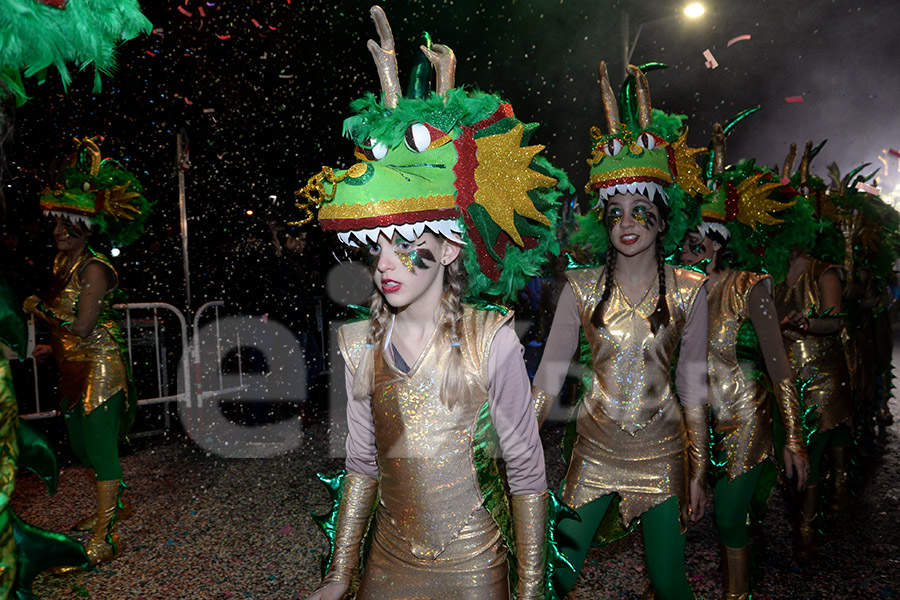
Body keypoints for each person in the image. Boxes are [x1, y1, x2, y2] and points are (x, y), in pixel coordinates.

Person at [299, 7, 571, 598]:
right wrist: (342, 574)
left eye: (405, 243)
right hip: (387, 562)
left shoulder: (489, 338)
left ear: (449, 249)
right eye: (376, 245)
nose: (386, 264)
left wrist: (527, 590)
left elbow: (526, 473)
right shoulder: (357, 345)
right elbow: (364, 464)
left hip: (476, 567)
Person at [532, 63, 710, 600]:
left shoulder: (688, 289)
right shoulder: (581, 287)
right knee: (553, 574)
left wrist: (698, 469)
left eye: (639, 210)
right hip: (594, 452)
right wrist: (511, 446)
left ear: (661, 217)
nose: (626, 222)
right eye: (614, 213)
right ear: (603, 222)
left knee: (670, 581)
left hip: (661, 457)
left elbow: (694, 387)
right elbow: (548, 378)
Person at [678, 124, 810, 599]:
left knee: (730, 520)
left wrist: (793, 438)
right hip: (690, 421)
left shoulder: (749, 286)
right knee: (672, 518)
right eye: (684, 241)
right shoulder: (677, 291)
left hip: (744, 419)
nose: (688, 250)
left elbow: (778, 365)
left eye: (696, 241)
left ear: (715, 241)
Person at [22, 137, 151, 568]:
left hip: (99, 367)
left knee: (99, 447)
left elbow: (81, 327)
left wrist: (40, 311)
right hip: (72, 367)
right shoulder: (63, 266)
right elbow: (67, 330)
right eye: (55, 225)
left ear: (85, 229)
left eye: (66, 226)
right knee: (79, 444)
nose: (57, 233)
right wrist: (47, 344)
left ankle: (106, 533)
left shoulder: (94, 268)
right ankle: (117, 503)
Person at [773, 142, 854, 560]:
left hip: (821, 376)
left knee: (813, 453)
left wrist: (807, 323)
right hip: (785, 375)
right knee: (787, 455)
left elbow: (836, 321)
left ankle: (806, 528)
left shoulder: (825, 272)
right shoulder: (770, 270)